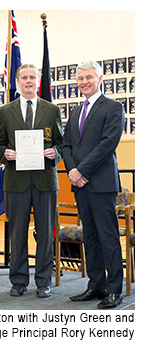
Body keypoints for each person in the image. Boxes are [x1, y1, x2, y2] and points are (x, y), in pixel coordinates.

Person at [0, 64, 63, 298]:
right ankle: (19, 281)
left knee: (45, 234)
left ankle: (44, 281)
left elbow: (61, 143)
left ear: (39, 80)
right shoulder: (5, 111)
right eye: (24, 77)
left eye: (33, 77)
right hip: (16, 181)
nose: (29, 81)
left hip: (45, 181)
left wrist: (56, 153)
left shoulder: (52, 110)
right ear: (18, 81)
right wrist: (5, 155)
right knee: (17, 234)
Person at [62, 60, 125, 309]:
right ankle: (96, 284)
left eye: (89, 77)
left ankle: (115, 290)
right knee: (90, 236)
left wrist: (81, 170)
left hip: (101, 183)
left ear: (100, 78)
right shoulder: (76, 111)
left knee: (108, 237)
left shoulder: (113, 107)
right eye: (80, 78)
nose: (84, 82)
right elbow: (67, 145)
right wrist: (72, 171)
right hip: (80, 184)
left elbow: (108, 143)